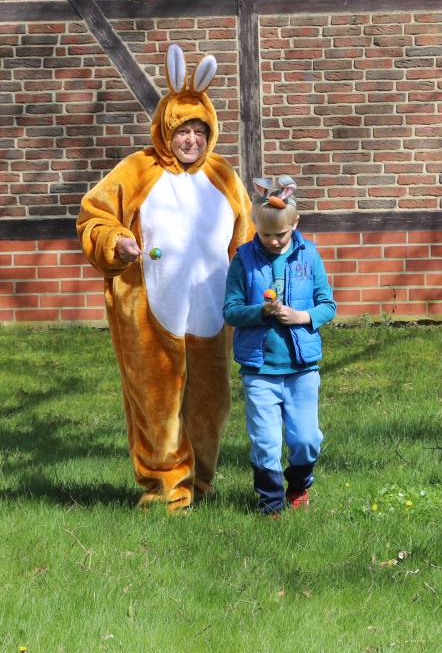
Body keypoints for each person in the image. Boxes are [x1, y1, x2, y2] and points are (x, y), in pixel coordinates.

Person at [77, 44, 253, 512]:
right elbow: (93, 216)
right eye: (182, 130)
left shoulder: (225, 176)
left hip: (214, 313)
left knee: (211, 407)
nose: (191, 139)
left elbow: (246, 239)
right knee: (157, 406)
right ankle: (165, 490)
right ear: (165, 128)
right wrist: (117, 242)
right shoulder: (137, 170)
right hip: (150, 312)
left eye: (200, 130)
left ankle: (201, 483)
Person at [222, 176, 336, 515]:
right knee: (266, 442)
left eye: (281, 235)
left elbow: (327, 304)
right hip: (260, 369)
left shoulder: (309, 255)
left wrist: (301, 316)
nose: (273, 241)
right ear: (255, 225)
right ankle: (270, 504)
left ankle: (299, 484)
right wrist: (261, 311)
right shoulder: (243, 260)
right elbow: (230, 310)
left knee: (305, 439)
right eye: (266, 234)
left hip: (301, 368)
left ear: (295, 224)